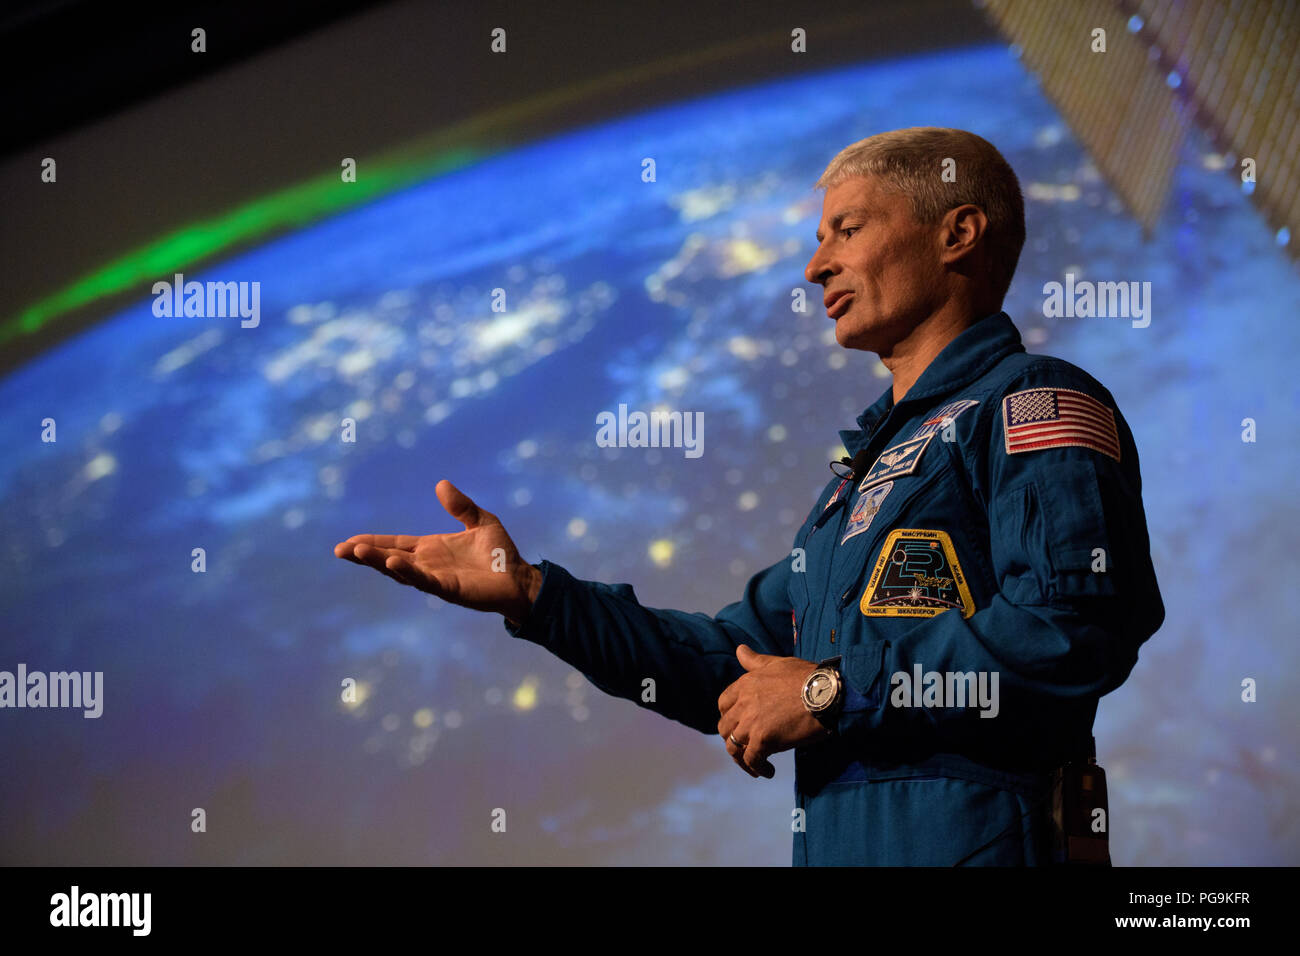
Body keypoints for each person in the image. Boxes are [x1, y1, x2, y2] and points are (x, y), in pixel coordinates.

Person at [334, 127, 1164, 865]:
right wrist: (539, 596)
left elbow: (1070, 634)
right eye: (818, 239)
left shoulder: (1033, 401)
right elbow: (727, 666)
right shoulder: (858, 483)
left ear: (957, 234)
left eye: (848, 229)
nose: (815, 266)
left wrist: (831, 692)